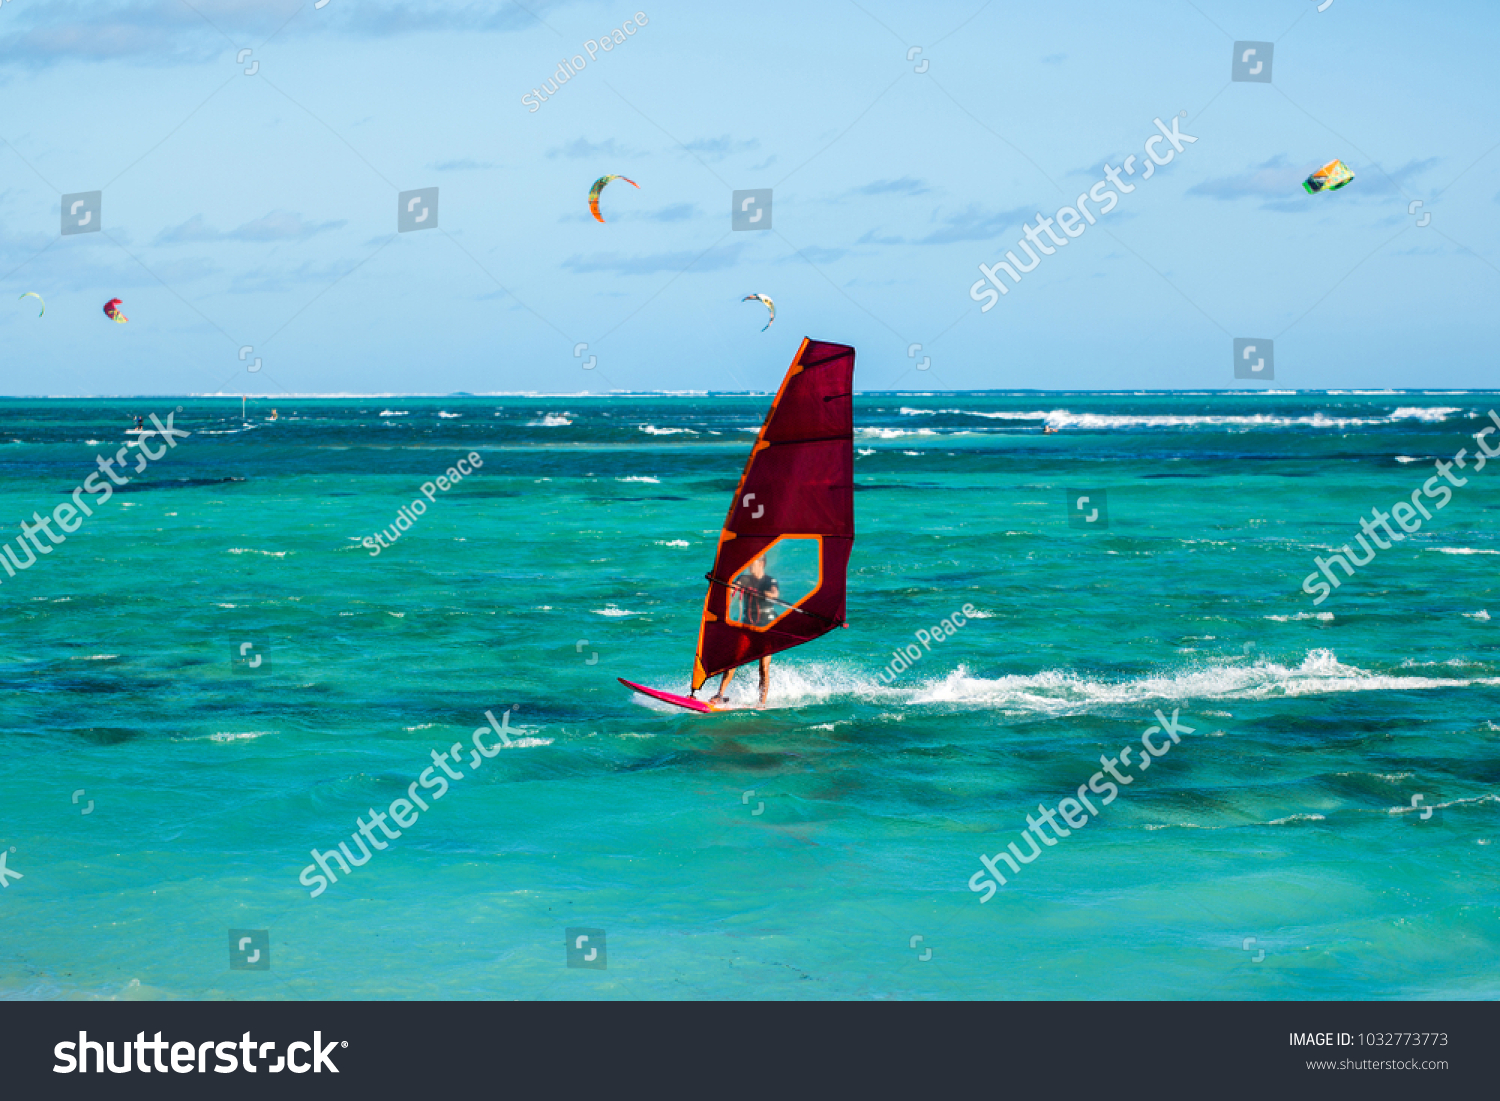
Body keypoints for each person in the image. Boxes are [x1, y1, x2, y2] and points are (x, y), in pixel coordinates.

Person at [710, 555, 779, 708]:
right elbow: (733, 587)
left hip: (767, 628)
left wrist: (762, 593)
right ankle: (719, 695)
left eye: (752, 564)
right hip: (747, 626)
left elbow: (774, 594)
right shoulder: (745, 579)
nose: (749, 567)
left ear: (761, 564)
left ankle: (761, 703)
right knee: (733, 660)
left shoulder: (769, 581)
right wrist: (717, 581)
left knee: (763, 667)